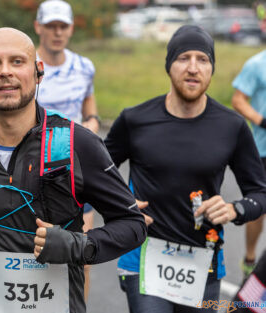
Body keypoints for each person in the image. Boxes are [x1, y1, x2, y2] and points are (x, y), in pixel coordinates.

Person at [0, 27, 147, 313]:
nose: (5, 72)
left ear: (38, 71)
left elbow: (132, 224)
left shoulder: (77, 144)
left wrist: (80, 245)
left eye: (17, 61)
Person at [105, 25, 266, 313]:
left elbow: (260, 193)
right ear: (169, 65)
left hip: (203, 263)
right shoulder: (135, 120)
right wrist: (120, 207)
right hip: (144, 259)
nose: (193, 67)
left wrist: (235, 210)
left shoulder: (232, 126)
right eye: (183, 58)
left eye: (203, 59)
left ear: (211, 68)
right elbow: (97, 173)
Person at [34, 0, 100, 300]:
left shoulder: (84, 66)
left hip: (75, 171)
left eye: (63, 26)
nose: (57, 33)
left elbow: (89, 102)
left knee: (82, 251)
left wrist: (93, 121)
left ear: (71, 29)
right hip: (32, 172)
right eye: (51, 26)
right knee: (34, 253)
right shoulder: (27, 64)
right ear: (39, 27)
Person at [232, 50, 266, 280]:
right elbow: (238, 100)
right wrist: (261, 121)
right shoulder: (257, 64)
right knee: (258, 210)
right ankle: (250, 258)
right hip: (262, 151)